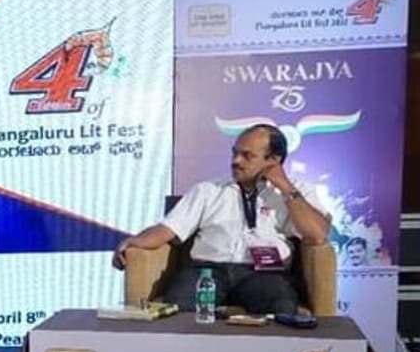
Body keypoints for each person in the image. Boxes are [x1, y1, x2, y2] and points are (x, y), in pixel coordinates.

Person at [112, 124, 330, 315]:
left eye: (247, 156)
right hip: (207, 271)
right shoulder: (208, 190)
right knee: (179, 306)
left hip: (265, 274)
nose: (236, 161)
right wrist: (133, 241)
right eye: (235, 153)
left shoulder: (297, 191)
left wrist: (285, 188)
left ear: (274, 160)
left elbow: (317, 235)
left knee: (281, 305)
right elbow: (168, 229)